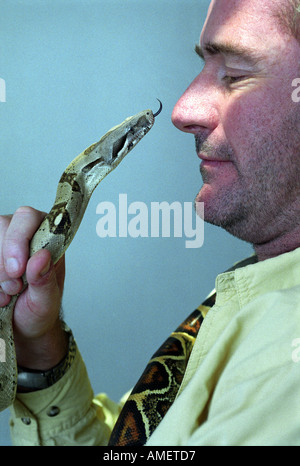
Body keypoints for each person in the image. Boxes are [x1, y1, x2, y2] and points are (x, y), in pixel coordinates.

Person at [1, 0, 300, 446]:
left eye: (235, 75)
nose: (181, 110)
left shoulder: (284, 361)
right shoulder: (247, 296)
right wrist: (39, 355)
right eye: (204, 64)